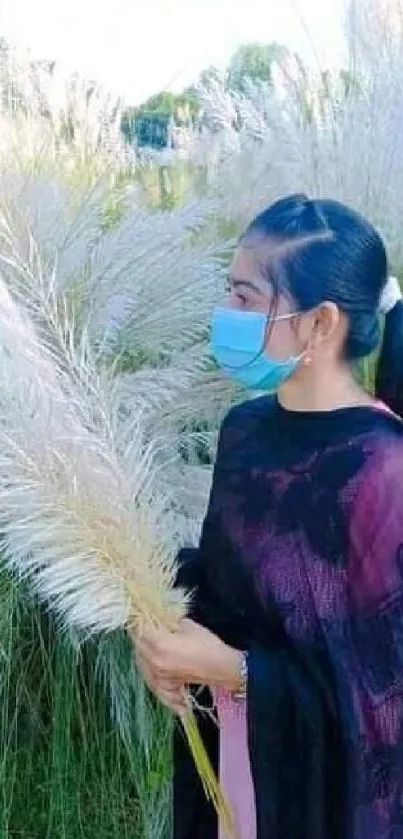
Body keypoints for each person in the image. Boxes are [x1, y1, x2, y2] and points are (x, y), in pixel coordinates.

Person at [134, 194, 403, 839]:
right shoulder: (245, 429)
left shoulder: (381, 471)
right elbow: (225, 590)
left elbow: (382, 706)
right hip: (232, 768)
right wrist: (164, 644)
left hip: (318, 808)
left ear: (320, 324)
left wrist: (235, 671)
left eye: (247, 298)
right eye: (229, 293)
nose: (226, 315)